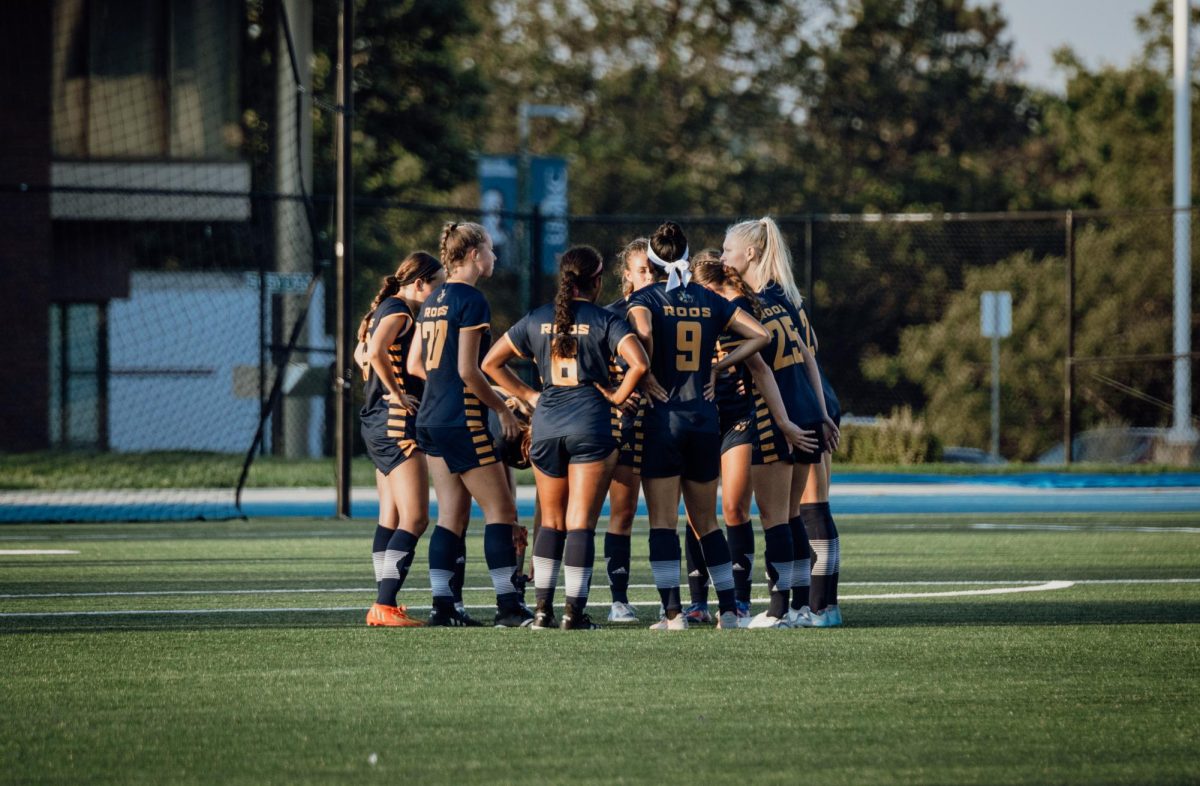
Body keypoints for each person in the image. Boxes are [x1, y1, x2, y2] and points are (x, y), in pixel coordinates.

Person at [627, 221, 811, 631]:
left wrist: (647, 375)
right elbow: (759, 335)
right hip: (704, 421)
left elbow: (642, 338)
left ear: (652, 263)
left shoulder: (646, 299)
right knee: (708, 521)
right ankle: (729, 609)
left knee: (662, 522)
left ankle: (674, 614)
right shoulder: (707, 299)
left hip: (663, 418)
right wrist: (721, 364)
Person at [483, 245, 649, 630]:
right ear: (597, 278)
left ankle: (542, 611)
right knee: (579, 524)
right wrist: (617, 396)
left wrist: (528, 395)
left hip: (546, 426)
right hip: (591, 423)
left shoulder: (539, 317)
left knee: (552, 522)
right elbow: (639, 363)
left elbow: (489, 362)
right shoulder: (604, 318)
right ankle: (573, 614)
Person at [408, 221, 532, 628]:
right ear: (475, 254)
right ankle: (508, 607)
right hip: (462, 420)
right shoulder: (471, 299)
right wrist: (502, 409)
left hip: (430, 418)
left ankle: (444, 607)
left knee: (451, 516)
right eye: (491, 250)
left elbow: (418, 365)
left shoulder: (433, 299)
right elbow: (468, 370)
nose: (494, 257)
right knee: (502, 510)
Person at [720, 217, 840, 628]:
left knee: (775, 518)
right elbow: (810, 356)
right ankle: (805, 606)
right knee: (792, 516)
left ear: (749, 253)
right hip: (807, 408)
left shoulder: (744, 306)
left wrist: (718, 367)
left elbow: (762, 370)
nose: (722, 258)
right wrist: (820, 412)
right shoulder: (780, 299)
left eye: (727, 250)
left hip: (779, 416)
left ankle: (778, 609)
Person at [357, 251, 445, 627]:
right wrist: (394, 391)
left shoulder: (386, 308)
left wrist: (380, 386)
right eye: (437, 285)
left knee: (390, 517)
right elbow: (374, 352)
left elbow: (362, 353)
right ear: (420, 284)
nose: (441, 292)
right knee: (416, 517)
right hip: (395, 424)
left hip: (376, 422)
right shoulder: (402, 311)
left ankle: (384, 602)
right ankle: (384, 603)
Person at [601, 238, 660, 623]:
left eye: (654, 269)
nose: (650, 276)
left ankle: (627, 600)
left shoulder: (668, 311)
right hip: (607, 425)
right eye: (642, 270)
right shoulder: (608, 315)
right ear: (627, 275)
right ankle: (608, 599)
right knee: (593, 515)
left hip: (651, 425)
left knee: (639, 514)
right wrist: (613, 394)